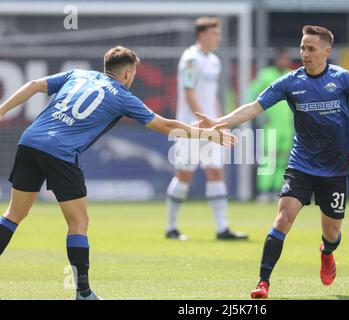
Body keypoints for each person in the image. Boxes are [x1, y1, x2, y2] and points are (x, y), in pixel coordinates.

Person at [0, 46, 235, 300]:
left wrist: (1, 110)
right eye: (133, 74)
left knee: (14, 214)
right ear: (125, 74)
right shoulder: (123, 96)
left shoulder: (78, 74)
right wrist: (208, 134)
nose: (132, 78)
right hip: (60, 152)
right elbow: (166, 126)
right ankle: (83, 293)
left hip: (30, 141)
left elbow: (35, 84)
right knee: (79, 223)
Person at [195, 25, 349, 299]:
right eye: (302, 48)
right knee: (283, 218)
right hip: (301, 165)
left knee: (331, 232)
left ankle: (327, 252)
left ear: (327, 52)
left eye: (311, 49)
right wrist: (219, 122)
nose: (304, 53)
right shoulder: (291, 82)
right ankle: (263, 282)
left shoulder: (343, 79)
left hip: (335, 167)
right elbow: (253, 107)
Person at [165, 17, 247, 241]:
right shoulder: (190, 59)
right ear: (202, 35)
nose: (218, 37)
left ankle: (222, 228)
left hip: (211, 127)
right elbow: (189, 93)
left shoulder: (214, 61)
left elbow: (212, 97)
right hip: (189, 126)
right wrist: (205, 120)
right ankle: (171, 227)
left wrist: (219, 122)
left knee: (216, 172)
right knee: (184, 175)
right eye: (214, 33)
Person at [248, 48, 294, 202]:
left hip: (287, 126)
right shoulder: (266, 75)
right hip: (271, 125)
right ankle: (264, 191)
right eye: (282, 58)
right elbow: (251, 93)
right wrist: (260, 116)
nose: (284, 62)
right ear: (276, 60)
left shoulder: (291, 75)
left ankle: (277, 191)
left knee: (283, 160)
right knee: (268, 158)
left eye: (286, 59)